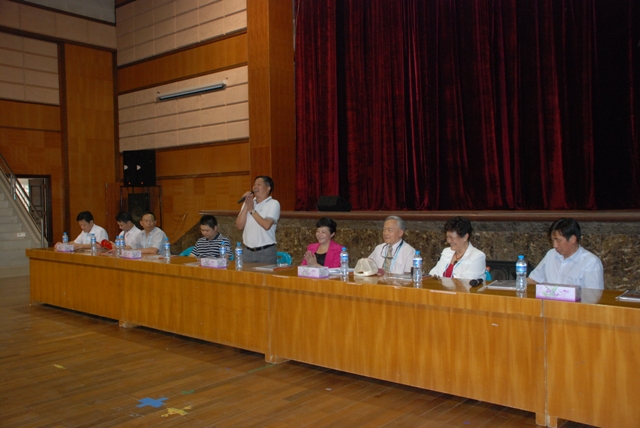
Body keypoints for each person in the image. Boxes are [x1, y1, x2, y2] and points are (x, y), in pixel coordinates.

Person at [528, 218, 604, 289]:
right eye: (553, 240)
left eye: (558, 241)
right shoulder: (551, 254)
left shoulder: (590, 262)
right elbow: (533, 280)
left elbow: (593, 295)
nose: (554, 245)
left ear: (572, 239)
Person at [235, 176, 280, 264]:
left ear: (268, 188)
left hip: (266, 252)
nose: (255, 187)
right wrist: (247, 204)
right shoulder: (249, 203)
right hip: (247, 251)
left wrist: (252, 210)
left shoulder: (273, 203)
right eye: (254, 184)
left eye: (259, 184)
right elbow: (239, 226)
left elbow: (266, 225)